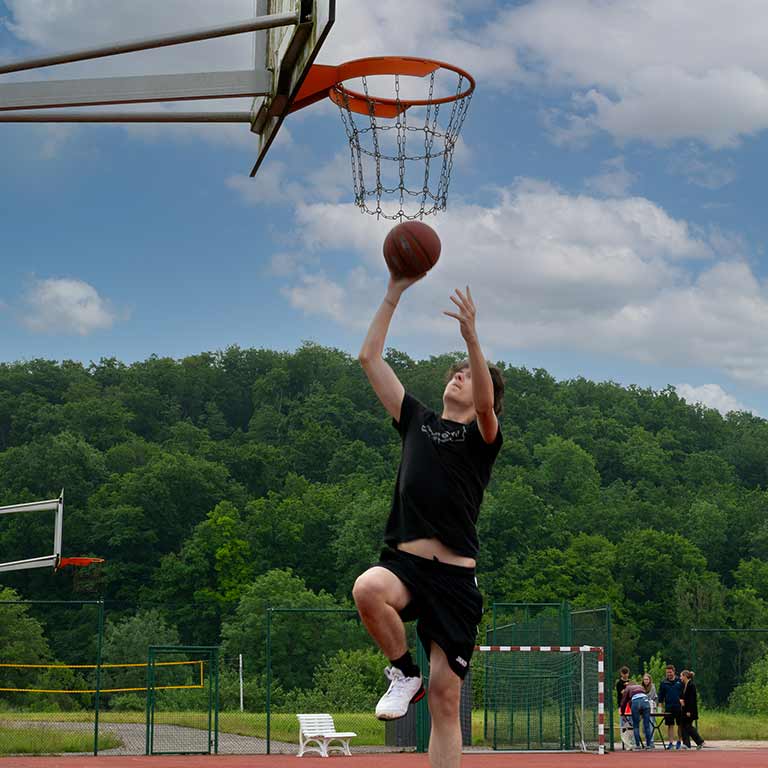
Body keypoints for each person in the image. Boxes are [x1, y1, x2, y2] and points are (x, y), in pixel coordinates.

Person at [353, 273, 504, 768]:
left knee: (446, 701)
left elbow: (484, 403)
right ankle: (402, 672)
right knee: (367, 589)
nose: (457, 374)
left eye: (467, 372)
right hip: (408, 567)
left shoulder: (483, 438)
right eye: (454, 370)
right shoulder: (416, 420)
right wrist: (394, 290)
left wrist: (472, 338)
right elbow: (369, 358)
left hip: (456, 581)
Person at [619, 682, 654, 750]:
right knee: (646, 725)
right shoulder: (640, 687)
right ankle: (648, 745)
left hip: (635, 702)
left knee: (636, 725)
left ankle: (638, 745)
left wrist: (623, 713)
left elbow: (623, 702)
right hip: (646, 701)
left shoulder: (628, 688)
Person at [658, 664, 683, 750]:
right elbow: (660, 696)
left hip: (679, 707)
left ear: (674, 672)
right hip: (668, 707)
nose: (669, 674)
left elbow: (684, 693)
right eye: (667, 672)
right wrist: (660, 708)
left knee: (680, 724)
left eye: (670, 672)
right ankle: (671, 743)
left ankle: (679, 741)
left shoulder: (680, 681)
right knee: (670, 725)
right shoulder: (663, 682)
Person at [679, 670, 705, 750]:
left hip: (689, 710)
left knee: (688, 726)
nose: (680, 678)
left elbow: (692, 699)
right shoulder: (684, 685)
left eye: (681, 676)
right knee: (683, 725)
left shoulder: (691, 685)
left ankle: (700, 741)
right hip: (684, 709)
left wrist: (689, 711)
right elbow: (683, 696)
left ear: (685, 676)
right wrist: (681, 700)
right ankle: (686, 744)